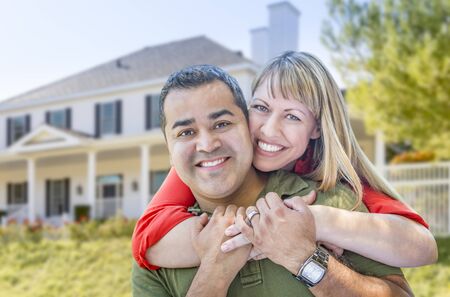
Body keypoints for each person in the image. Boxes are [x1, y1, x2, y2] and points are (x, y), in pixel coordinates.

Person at [132, 51, 437, 271]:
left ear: (317, 127)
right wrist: (259, 232)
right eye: (262, 108)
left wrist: (316, 221)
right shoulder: (218, 159)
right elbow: (146, 236)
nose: (269, 129)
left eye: (292, 116)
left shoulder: (333, 179)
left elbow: (422, 246)